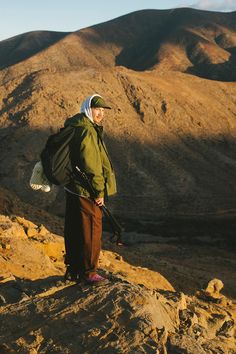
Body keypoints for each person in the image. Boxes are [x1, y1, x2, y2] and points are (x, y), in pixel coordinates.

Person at [63, 94, 117, 284]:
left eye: (103, 111)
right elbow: (91, 164)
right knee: (92, 230)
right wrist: (98, 191)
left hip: (74, 187)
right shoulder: (87, 130)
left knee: (75, 228)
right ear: (88, 109)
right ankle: (89, 272)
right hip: (87, 189)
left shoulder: (76, 125)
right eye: (97, 110)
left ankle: (74, 269)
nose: (100, 114)